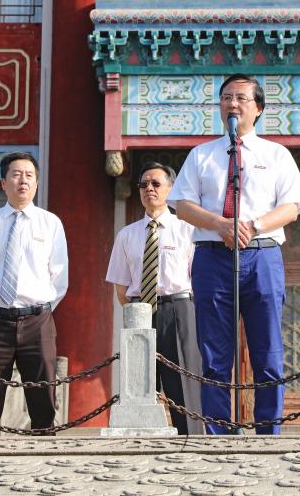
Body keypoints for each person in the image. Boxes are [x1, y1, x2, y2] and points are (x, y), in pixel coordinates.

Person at [168, 73, 300, 434]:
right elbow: (181, 205)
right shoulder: (202, 154)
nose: (232, 104)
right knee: (215, 355)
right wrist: (221, 224)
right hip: (212, 257)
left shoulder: (276, 154)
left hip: (261, 256)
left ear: (258, 108)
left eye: (241, 98)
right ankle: (218, 435)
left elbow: (292, 206)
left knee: (268, 354)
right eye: (226, 98)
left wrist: (254, 226)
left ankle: (268, 434)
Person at [0, 152, 68, 436]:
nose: (23, 180)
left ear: (36, 183)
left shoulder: (50, 223)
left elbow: (59, 276)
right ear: (3, 183)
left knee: (43, 396)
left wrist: (40, 310)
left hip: (37, 320)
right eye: (16, 174)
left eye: (29, 175)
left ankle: (44, 447)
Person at [105, 162, 204, 435]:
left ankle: (191, 446)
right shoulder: (126, 235)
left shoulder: (188, 230)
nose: (149, 188)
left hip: (179, 311)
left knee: (183, 387)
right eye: (143, 184)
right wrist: (139, 313)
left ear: (171, 189)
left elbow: (198, 280)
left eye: (156, 183)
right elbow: (121, 287)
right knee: (140, 386)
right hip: (139, 313)